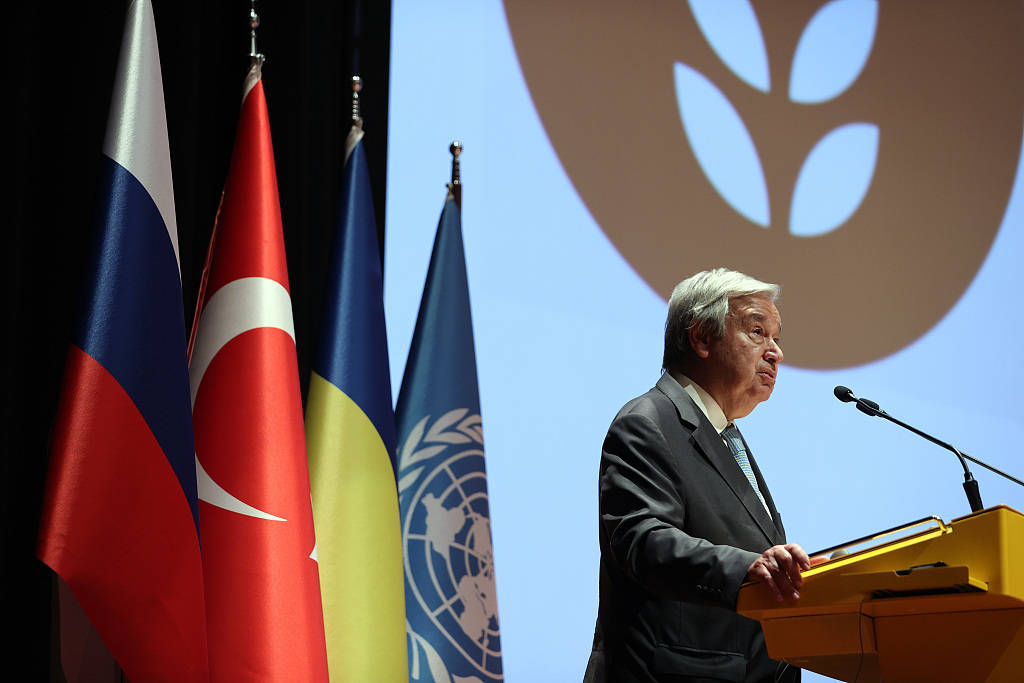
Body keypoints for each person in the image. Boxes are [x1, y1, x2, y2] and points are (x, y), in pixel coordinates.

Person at [584, 268, 810, 683]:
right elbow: (642, 539)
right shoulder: (648, 421)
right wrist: (747, 568)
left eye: (777, 338)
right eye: (757, 332)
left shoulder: (725, 433)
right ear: (702, 338)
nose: (776, 352)